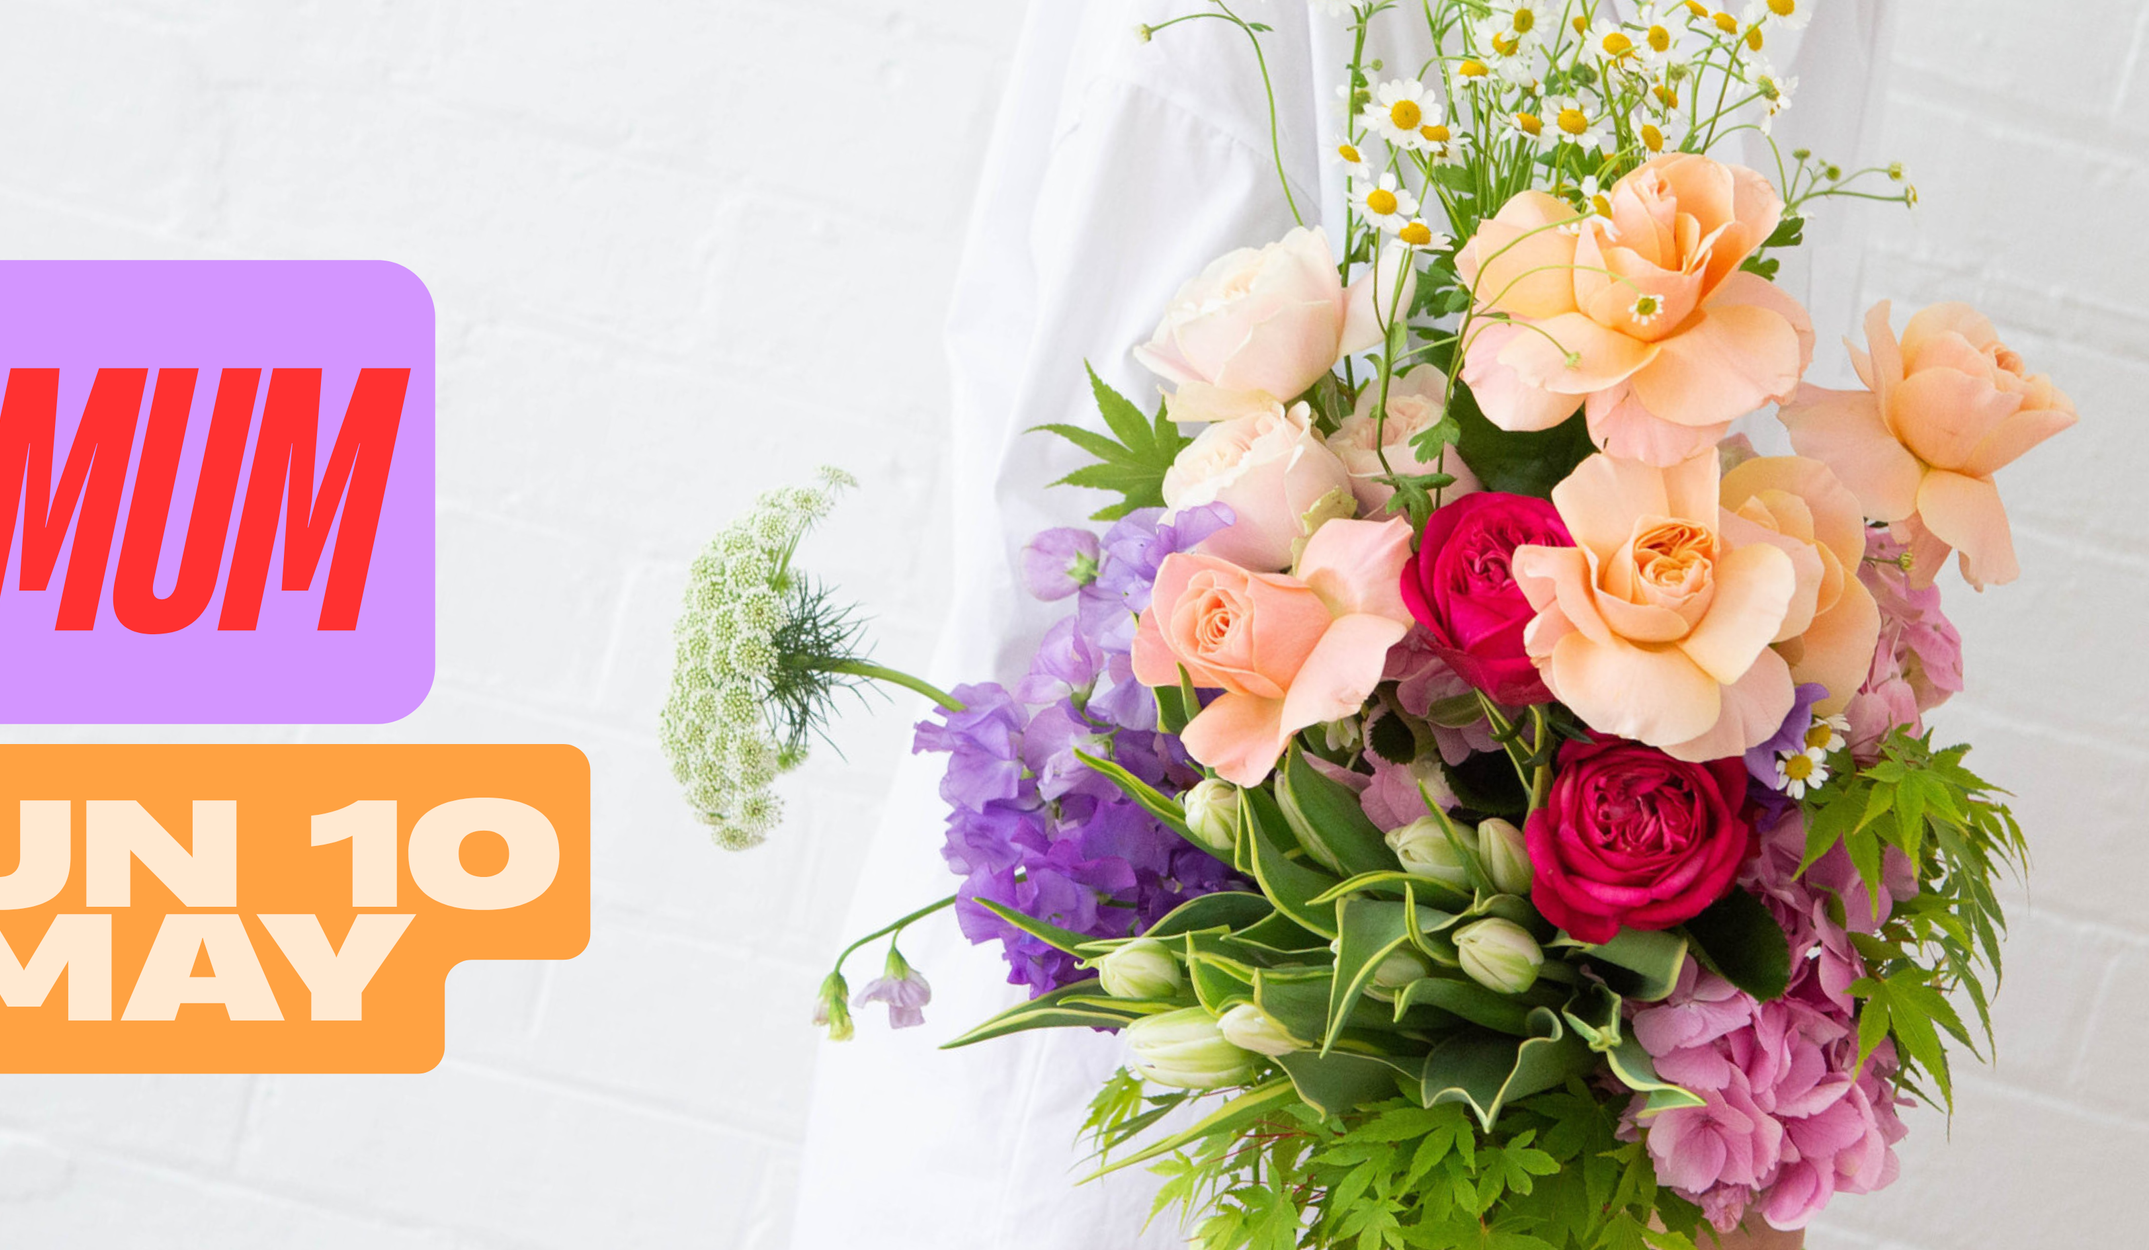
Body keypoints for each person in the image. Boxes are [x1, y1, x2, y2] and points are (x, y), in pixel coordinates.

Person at [788, 3, 1892, 1246]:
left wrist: (1740, 1068)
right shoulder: (1234, 36)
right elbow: (1079, 558)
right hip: (1197, 994)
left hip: (1547, 1039)